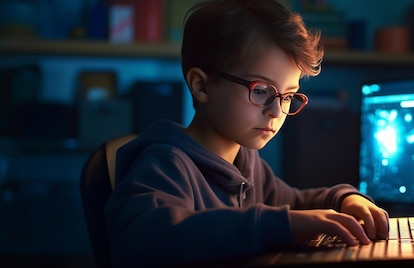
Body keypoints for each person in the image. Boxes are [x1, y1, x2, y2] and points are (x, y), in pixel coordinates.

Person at [104, 0, 389, 266]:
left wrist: (344, 199)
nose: (276, 112)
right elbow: (146, 240)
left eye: (288, 96)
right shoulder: (164, 164)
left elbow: (296, 203)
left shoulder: (246, 160)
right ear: (201, 86)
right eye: (262, 90)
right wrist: (281, 225)